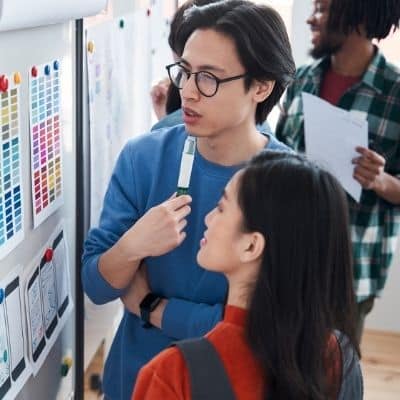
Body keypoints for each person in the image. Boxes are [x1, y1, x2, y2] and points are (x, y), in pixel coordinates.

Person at [82, 1, 295, 399]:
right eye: (185, 72)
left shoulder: (287, 184)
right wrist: (132, 246)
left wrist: (148, 305)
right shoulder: (144, 156)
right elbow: (96, 284)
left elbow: (270, 329)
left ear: (261, 86)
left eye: (210, 79)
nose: (189, 91)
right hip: (134, 382)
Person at [132, 151, 362, 400]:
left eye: (221, 208)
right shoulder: (339, 357)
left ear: (251, 246)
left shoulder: (173, 374)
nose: (208, 218)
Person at [275, 0, 400, 343]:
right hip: (291, 256)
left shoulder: (396, 92)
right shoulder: (302, 79)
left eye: (323, 9)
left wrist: (381, 180)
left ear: (358, 17)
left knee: (335, 378)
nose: (312, 19)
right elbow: (276, 151)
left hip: (351, 270)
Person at [150, 0, 272, 134]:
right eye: (185, 71)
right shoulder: (261, 127)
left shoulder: (165, 132)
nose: (187, 92)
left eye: (208, 76)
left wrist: (167, 124)